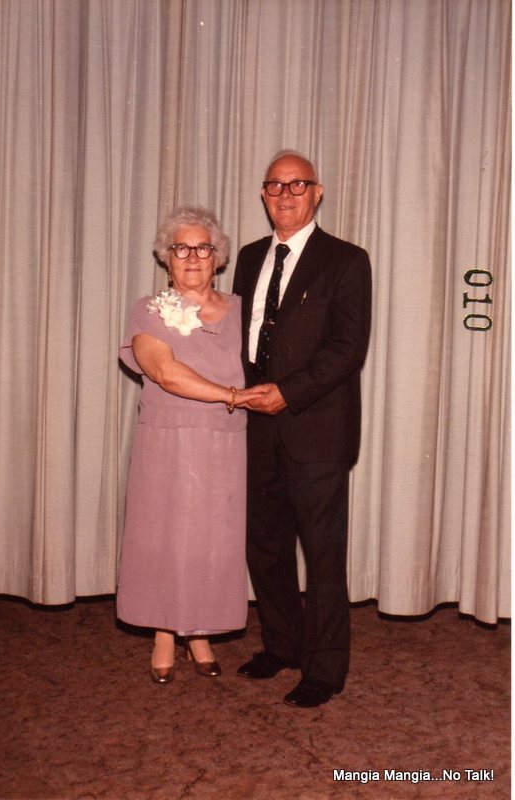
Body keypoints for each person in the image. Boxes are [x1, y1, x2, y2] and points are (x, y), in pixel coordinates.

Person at [233, 151, 372, 708]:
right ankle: (282, 645)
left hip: (317, 430)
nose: (286, 194)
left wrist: (287, 393)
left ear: (318, 192)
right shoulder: (248, 257)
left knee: (322, 554)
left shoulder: (347, 260)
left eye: (298, 185)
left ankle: (324, 669)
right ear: (263, 195)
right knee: (265, 546)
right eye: (275, 185)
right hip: (255, 427)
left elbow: (346, 349)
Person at [117, 206, 261, 684]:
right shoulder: (149, 309)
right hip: (168, 440)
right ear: (166, 257)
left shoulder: (244, 310)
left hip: (225, 443)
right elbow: (164, 372)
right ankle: (163, 632)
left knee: (211, 540)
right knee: (164, 536)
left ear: (218, 257)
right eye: (181, 248)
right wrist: (233, 396)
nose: (193, 257)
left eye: (203, 248)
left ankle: (199, 632)